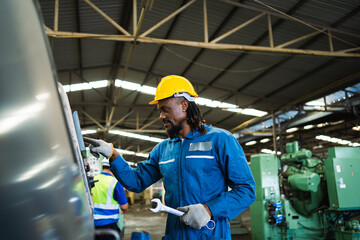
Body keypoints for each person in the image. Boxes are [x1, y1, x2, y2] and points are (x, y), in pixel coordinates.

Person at [84, 75, 256, 239]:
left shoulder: (220, 140)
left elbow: (246, 190)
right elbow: (136, 182)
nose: (161, 117)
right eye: (160, 111)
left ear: (184, 105)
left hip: (209, 234)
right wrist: (113, 155)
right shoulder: (163, 149)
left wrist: (209, 209)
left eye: (165, 110)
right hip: (175, 233)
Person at [91, 159, 128, 239]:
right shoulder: (115, 182)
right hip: (109, 225)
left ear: (102, 166)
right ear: (114, 168)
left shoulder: (93, 179)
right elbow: (124, 206)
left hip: (92, 223)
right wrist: (123, 211)